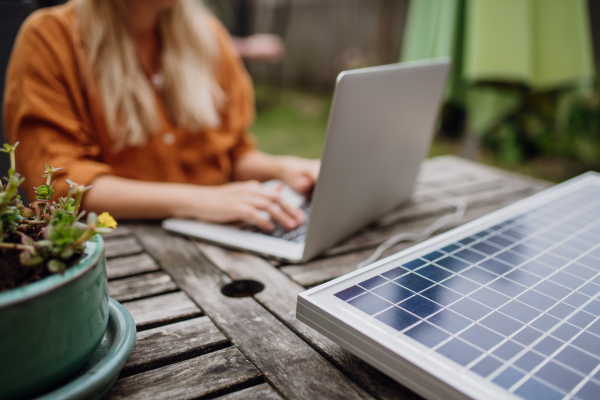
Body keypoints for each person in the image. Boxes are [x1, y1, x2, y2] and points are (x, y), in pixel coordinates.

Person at [4, 0, 319, 232]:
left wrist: (281, 167)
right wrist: (200, 201)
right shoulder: (50, 38)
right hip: (122, 249)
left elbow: (231, 154)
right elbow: (60, 184)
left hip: (222, 233)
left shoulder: (209, 36)